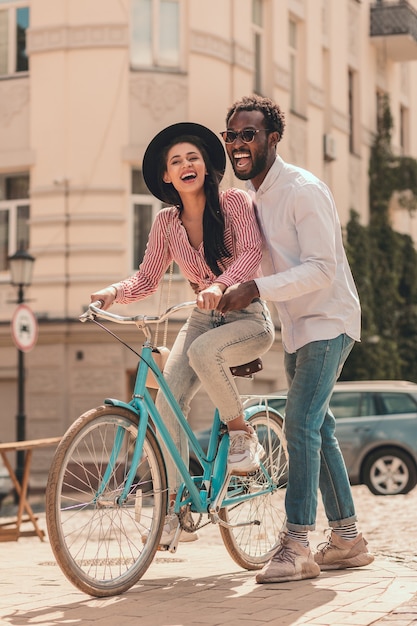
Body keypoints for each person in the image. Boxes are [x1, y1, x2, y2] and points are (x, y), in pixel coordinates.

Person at [90, 121, 275, 547]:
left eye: (193, 157)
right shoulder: (166, 223)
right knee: (167, 401)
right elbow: (147, 278)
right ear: (166, 177)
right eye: (176, 162)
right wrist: (112, 293)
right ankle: (175, 508)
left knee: (205, 352)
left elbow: (250, 252)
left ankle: (241, 434)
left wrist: (219, 286)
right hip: (200, 320)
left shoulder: (233, 202)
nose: (186, 164)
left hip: (247, 317)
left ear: (208, 166)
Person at [217, 95, 374, 583]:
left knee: (301, 423)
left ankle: (298, 543)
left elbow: (322, 269)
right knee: (319, 428)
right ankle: (347, 539)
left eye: (249, 134)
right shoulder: (253, 199)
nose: (239, 145)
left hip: (329, 321)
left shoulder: (303, 189)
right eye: (232, 136)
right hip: (296, 328)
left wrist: (255, 289)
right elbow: (253, 267)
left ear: (273, 138)